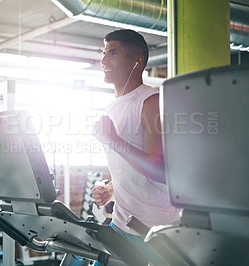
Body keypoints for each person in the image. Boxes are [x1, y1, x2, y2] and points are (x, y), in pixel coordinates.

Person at [91, 29, 180, 265]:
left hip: (153, 228)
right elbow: (128, 165)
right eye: (103, 53)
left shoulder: (151, 102)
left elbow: (161, 170)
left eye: (113, 53)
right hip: (122, 222)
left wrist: (113, 140)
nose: (103, 60)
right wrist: (111, 188)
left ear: (137, 61)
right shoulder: (112, 107)